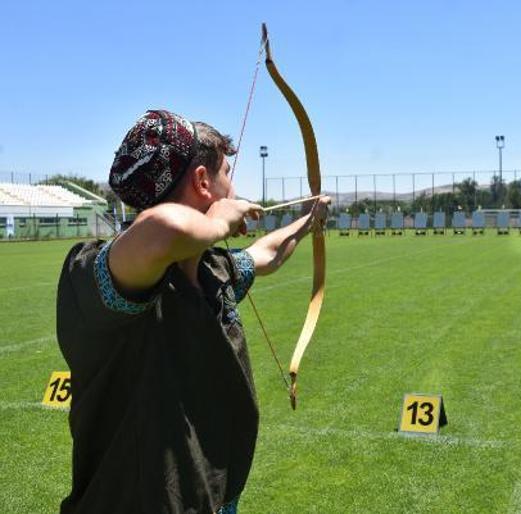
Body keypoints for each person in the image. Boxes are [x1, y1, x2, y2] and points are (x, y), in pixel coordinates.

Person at [56, 109, 330, 513]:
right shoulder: (100, 274)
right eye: (227, 174)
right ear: (203, 182)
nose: (234, 189)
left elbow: (265, 254)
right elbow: (160, 230)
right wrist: (218, 222)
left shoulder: (211, 271)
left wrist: (309, 221)